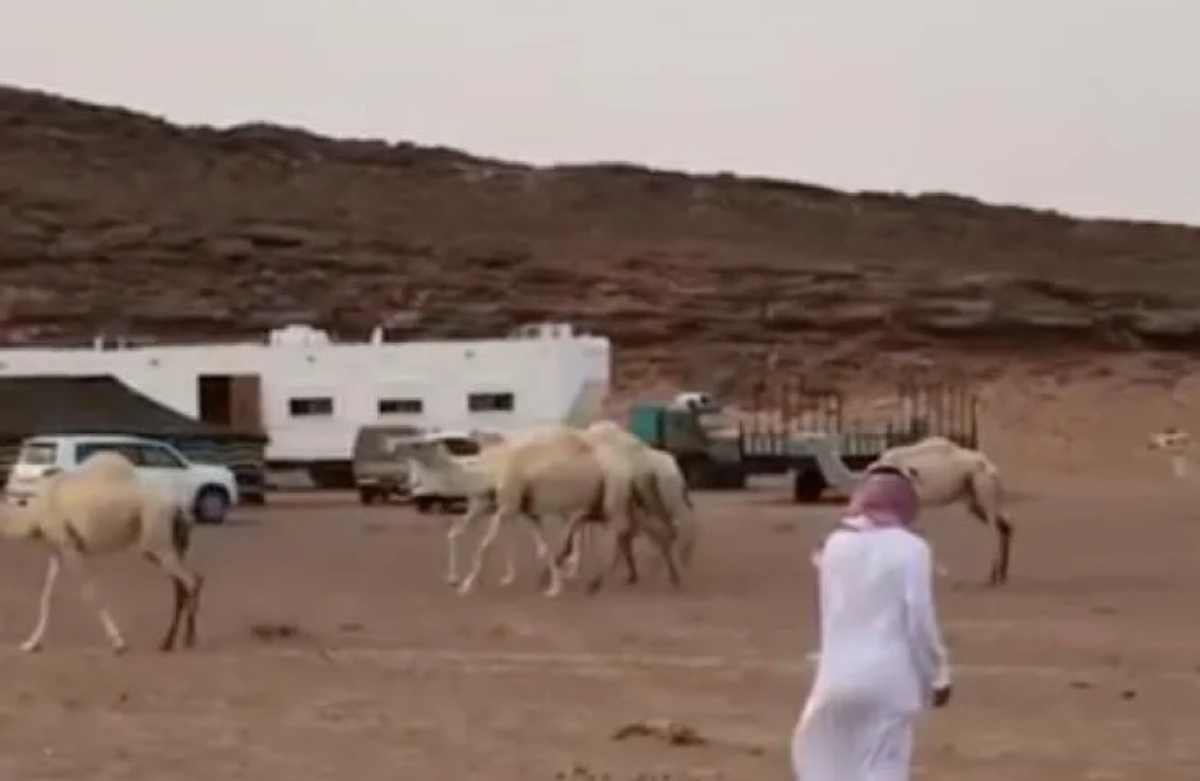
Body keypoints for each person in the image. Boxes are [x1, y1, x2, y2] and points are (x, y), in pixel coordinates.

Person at [791, 465, 952, 781]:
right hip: (891, 680)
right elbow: (918, 618)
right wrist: (938, 674)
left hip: (834, 680)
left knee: (829, 765)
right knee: (883, 764)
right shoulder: (912, 549)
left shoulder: (834, 546)